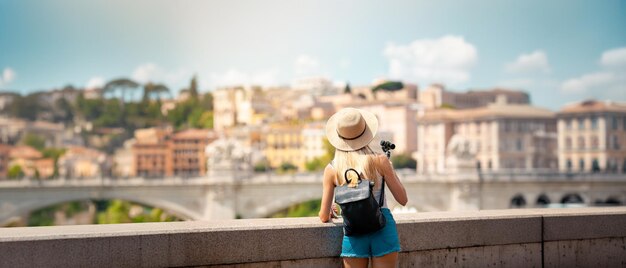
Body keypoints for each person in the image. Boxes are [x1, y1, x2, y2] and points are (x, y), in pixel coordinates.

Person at [319, 107, 408, 268]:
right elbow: (402, 199)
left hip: (354, 232)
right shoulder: (380, 161)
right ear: (366, 133)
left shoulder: (331, 169)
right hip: (383, 227)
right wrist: (390, 169)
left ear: (339, 138)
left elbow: (324, 216)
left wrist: (332, 210)